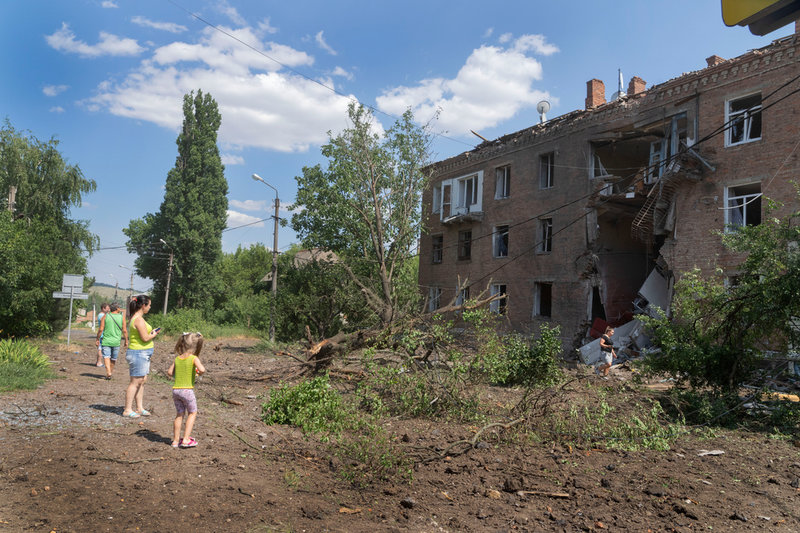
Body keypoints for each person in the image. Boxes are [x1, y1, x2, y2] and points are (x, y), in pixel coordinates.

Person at [123, 295, 161, 418]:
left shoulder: (138, 318)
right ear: (143, 305)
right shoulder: (138, 319)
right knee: (135, 382)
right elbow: (145, 338)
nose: (150, 307)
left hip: (142, 353)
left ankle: (139, 408)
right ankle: (127, 409)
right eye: (149, 305)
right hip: (138, 353)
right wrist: (153, 334)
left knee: (142, 381)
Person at [167, 332, 206, 448]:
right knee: (192, 413)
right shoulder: (194, 358)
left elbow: (169, 372)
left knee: (179, 414)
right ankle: (186, 439)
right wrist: (198, 372)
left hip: (176, 390)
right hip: (187, 391)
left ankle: (175, 441)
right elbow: (202, 370)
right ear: (196, 346)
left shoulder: (177, 359)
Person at [96, 302, 128, 379]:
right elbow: (124, 330)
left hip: (106, 341)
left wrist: (97, 339)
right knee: (113, 358)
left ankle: (108, 372)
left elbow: (101, 329)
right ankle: (110, 372)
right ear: (117, 309)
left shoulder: (105, 316)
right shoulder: (122, 317)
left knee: (106, 357)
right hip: (116, 342)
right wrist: (126, 341)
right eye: (119, 307)